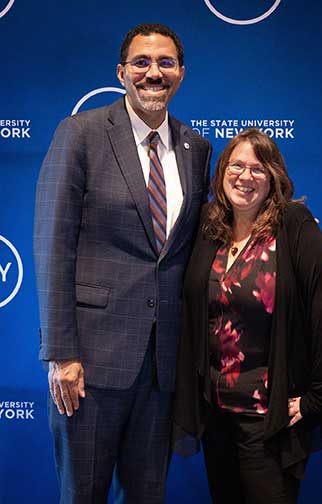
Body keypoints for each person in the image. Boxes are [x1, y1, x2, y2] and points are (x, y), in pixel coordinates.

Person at [33, 23, 211, 503]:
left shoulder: (197, 149)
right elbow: (52, 244)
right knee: (83, 494)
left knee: (148, 496)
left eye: (165, 63)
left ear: (181, 74)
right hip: (88, 366)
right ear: (121, 72)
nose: (153, 73)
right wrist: (62, 354)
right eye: (142, 62)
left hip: (162, 370)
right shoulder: (81, 134)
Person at [173, 128, 322, 503]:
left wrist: (318, 397)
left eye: (257, 169)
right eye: (236, 166)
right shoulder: (209, 228)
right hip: (215, 416)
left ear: (273, 178)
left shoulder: (294, 225)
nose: (245, 177)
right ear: (221, 173)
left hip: (268, 419)